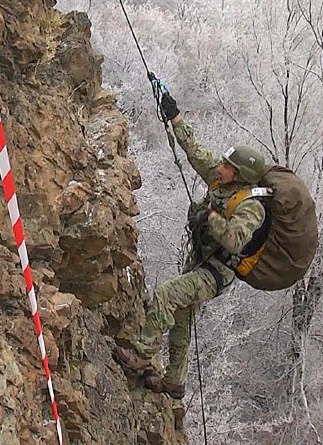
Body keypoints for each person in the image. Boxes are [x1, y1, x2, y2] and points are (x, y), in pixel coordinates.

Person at [114, 91, 269, 399]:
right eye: (223, 163)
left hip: (218, 271)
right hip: (201, 259)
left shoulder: (252, 206)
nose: (220, 166)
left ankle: (142, 356)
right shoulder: (220, 179)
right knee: (182, 316)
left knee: (166, 294)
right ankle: (174, 381)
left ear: (239, 176)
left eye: (227, 165)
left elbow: (235, 239)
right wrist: (175, 117)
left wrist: (212, 217)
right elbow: (195, 150)